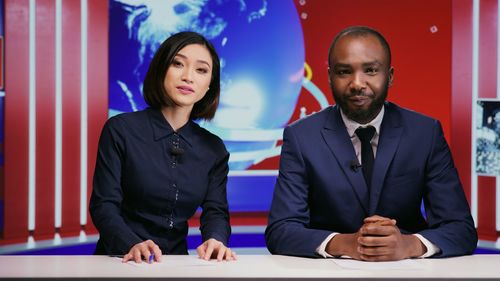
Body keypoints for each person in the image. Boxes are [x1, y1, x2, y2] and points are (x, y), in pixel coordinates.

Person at [265, 26, 477, 261]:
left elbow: (461, 229)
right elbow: (281, 231)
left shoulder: (425, 133)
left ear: (390, 76)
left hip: (406, 272)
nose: (357, 83)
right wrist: (344, 243)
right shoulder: (301, 137)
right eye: (344, 71)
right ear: (329, 77)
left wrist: (409, 246)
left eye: (370, 70)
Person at [90, 31, 236, 263]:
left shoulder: (214, 149)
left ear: (209, 85)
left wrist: (216, 239)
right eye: (178, 64)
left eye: (201, 70)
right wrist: (131, 243)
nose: (188, 77)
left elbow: (216, 211)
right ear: (161, 70)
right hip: (119, 261)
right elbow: (104, 205)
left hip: (174, 265)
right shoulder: (120, 130)